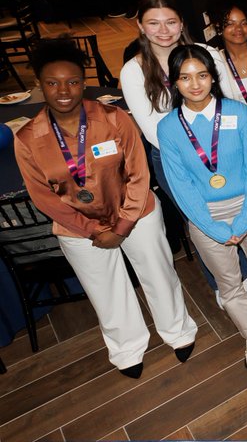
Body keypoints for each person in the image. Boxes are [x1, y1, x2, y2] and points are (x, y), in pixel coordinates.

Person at [17, 40, 198, 379]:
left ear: (82, 81)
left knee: (159, 275)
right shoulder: (28, 137)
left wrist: (122, 225)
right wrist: (92, 230)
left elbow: (138, 173)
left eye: (71, 81)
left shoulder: (114, 118)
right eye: (52, 83)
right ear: (40, 86)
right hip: (79, 228)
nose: (63, 90)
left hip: (136, 213)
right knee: (105, 290)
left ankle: (178, 330)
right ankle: (127, 347)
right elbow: (43, 197)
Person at [157, 45, 247, 369]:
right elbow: (181, 185)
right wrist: (215, 228)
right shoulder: (168, 127)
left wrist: (245, 219)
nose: (195, 84)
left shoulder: (236, 112)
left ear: (212, 78)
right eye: (185, 77)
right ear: (173, 82)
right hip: (205, 217)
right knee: (229, 285)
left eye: (202, 75)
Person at [119, 0, 247, 305]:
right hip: (173, 160)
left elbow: (231, 100)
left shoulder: (206, 54)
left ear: (181, 24)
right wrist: (195, 156)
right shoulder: (133, 70)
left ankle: (244, 273)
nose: (163, 30)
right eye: (153, 23)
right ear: (140, 25)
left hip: (223, 149)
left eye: (170, 22)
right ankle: (224, 284)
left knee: (235, 210)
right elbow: (152, 130)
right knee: (202, 219)